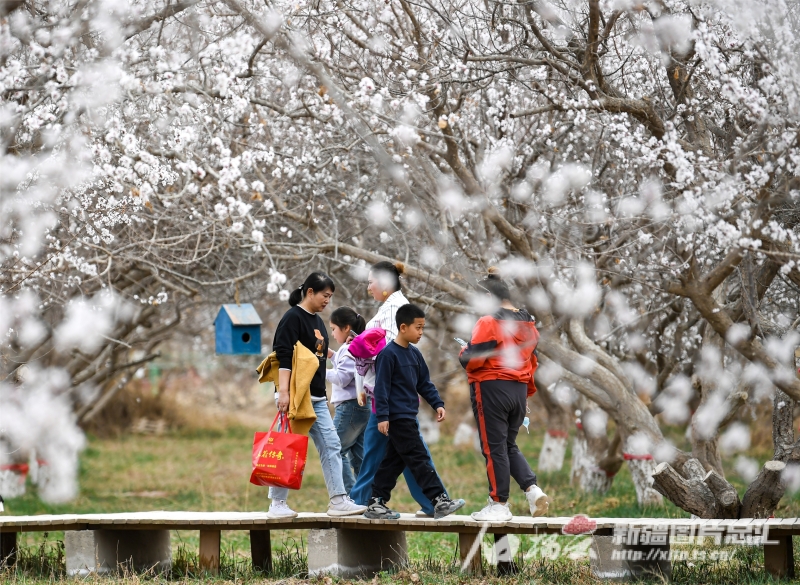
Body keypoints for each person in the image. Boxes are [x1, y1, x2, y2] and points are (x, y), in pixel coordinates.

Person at [349, 261, 447, 517]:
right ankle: (432, 502)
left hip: (390, 401)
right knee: (402, 455)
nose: (369, 286)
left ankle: (365, 502)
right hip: (387, 402)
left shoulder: (395, 310)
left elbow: (387, 355)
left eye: (371, 281)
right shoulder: (390, 307)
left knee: (405, 455)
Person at [269, 272, 367, 518]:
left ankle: (338, 500)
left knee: (332, 445)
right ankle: (276, 505)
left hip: (317, 398)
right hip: (294, 395)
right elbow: (282, 355)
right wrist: (282, 393)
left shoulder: (318, 322)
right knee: (288, 447)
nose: (327, 301)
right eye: (325, 295)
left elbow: (320, 356)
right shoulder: (292, 318)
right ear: (310, 292)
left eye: (330, 296)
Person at [459, 269, 549, 521]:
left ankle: (498, 504)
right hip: (518, 391)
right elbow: (532, 360)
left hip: (491, 389)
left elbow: (472, 360)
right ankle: (533, 491)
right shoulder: (528, 323)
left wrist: (464, 350)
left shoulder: (488, 322)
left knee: (493, 448)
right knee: (507, 445)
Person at [364, 304, 465, 520]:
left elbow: (424, 384)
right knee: (419, 458)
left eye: (422, 328)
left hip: (409, 415)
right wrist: (382, 416)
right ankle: (439, 500)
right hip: (397, 418)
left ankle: (375, 502)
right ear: (403, 327)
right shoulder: (388, 355)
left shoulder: (415, 354)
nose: (421, 332)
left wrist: (437, 403)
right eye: (418, 328)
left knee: (393, 461)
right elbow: (381, 389)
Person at [327, 307, 370, 494]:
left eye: (333, 328)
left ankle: (348, 495)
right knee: (359, 455)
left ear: (346, 328)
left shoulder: (348, 348)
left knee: (334, 449)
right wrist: (330, 355)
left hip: (349, 408)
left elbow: (342, 378)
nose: (332, 333)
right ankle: (365, 496)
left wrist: (319, 368)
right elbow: (346, 365)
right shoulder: (355, 346)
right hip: (361, 407)